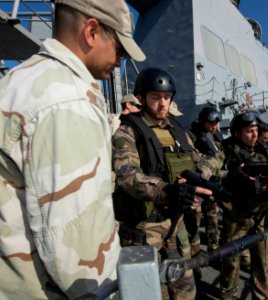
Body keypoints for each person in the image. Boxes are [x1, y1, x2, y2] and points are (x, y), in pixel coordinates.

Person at [0, 0, 145, 298]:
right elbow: (76, 244)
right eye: (119, 50)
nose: (119, 62)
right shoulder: (69, 101)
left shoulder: (18, 80)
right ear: (91, 31)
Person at [112, 67, 214, 300]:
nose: (162, 104)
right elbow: (127, 175)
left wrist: (203, 180)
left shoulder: (178, 130)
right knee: (150, 293)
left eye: (166, 98)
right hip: (143, 230)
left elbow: (199, 161)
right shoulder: (128, 131)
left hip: (176, 229)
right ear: (141, 98)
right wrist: (167, 190)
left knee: (186, 291)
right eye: (155, 97)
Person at [220, 111, 268, 300]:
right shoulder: (225, 150)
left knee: (261, 262)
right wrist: (234, 175)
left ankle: (260, 296)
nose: (254, 135)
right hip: (236, 216)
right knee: (231, 262)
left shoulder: (263, 149)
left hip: (259, 215)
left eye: (256, 130)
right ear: (237, 133)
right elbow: (211, 172)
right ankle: (228, 296)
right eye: (249, 131)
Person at [187, 107, 225, 253]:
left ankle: (213, 246)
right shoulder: (191, 135)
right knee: (194, 219)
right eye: (210, 123)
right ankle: (194, 249)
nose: (214, 126)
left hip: (213, 182)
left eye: (216, 123)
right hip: (198, 181)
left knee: (212, 216)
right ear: (203, 121)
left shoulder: (216, 136)